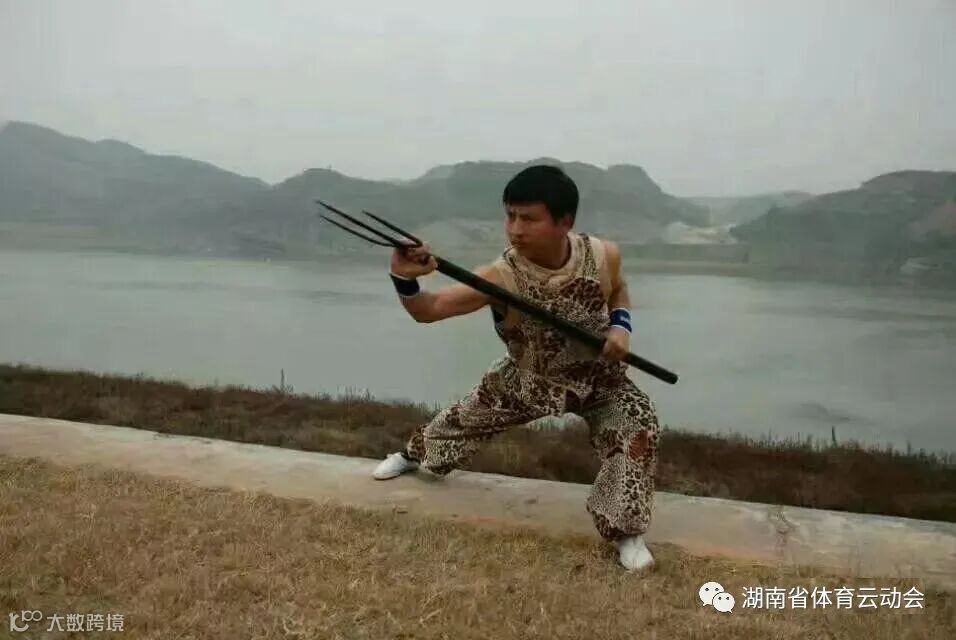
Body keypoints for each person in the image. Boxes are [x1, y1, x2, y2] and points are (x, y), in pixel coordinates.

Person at [375, 164, 660, 571]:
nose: (515, 229)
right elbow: (430, 309)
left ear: (565, 222)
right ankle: (412, 456)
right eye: (510, 216)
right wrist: (404, 279)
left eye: (528, 219)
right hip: (527, 379)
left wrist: (621, 327)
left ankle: (626, 531)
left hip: (601, 380)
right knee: (461, 420)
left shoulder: (603, 255)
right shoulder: (500, 277)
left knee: (637, 424)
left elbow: (618, 291)